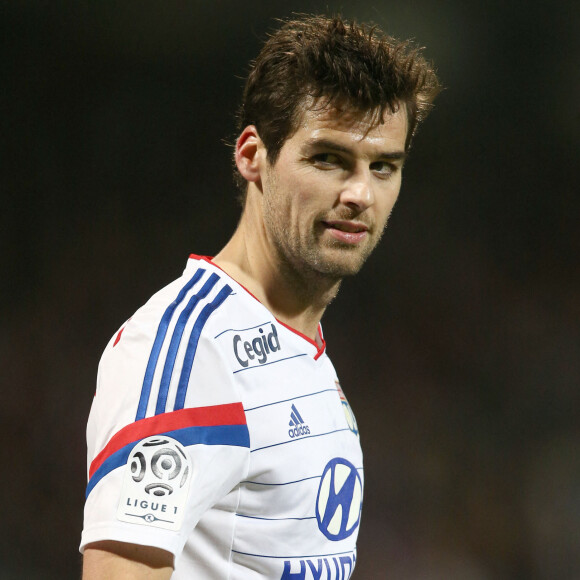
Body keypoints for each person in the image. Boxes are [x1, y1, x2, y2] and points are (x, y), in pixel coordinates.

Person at [80, 14, 440, 579]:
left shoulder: (299, 343)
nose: (360, 194)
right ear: (253, 156)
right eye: (328, 158)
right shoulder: (190, 347)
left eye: (384, 167)